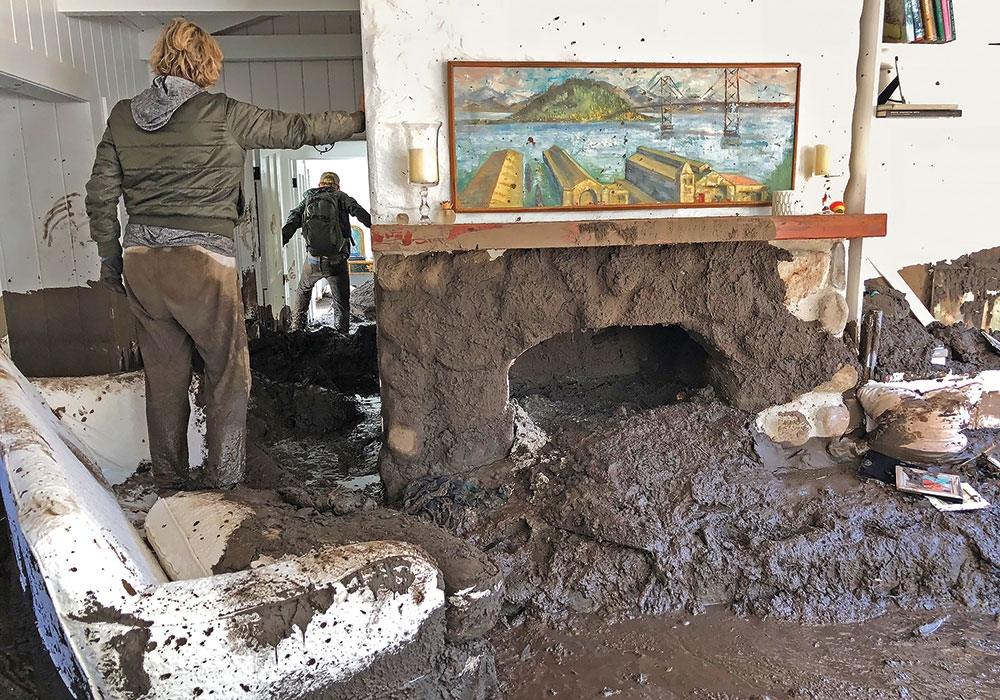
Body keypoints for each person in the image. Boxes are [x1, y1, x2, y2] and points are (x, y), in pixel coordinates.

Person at [84, 18, 365, 489]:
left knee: (165, 378)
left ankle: (171, 485)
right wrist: (358, 120)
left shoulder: (121, 115)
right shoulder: (222, 112)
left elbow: (98, 195)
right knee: (228, 373)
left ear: (160, 60)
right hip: (202, 262)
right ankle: (224, 482)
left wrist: (111, 257)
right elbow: (296, 128)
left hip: (141, 263)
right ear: (208, 65)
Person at [282, 172, 371, 332]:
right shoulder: (341, 197)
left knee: (303, 290)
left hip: (313, 261)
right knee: (341, 302)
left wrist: (281, 239)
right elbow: (357, 210)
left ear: (319, 185)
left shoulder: (308, 199)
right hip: (336, 262)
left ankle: (297, 328)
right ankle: (341, 335)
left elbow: (294, 218)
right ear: (337, 186)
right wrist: (374, 226)